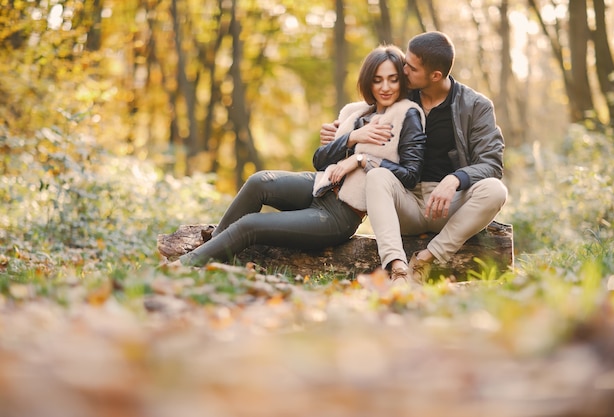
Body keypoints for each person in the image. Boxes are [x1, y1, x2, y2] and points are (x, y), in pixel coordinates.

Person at [169, 45, 427, 268]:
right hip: (320, 186)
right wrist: (352, 138)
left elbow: (411, 175)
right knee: (259, 181)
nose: (385, 87)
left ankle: (185, 266)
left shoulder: (408, 114)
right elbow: (320, 160)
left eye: (393, 79)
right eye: (377, 79)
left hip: (339, 216)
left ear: (402, 81)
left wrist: (361, 160)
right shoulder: (356, 112)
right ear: (367, 81)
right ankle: (213, 248)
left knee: (251, 225)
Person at [321, 31, 508, 284]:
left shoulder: (475, 106)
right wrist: (342, 131)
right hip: (405, 199)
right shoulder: (403, 95)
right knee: (377, 175)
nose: (403, 70)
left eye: (411, 67)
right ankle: (397, 270)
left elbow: (492, 164)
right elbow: (368, 110)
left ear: (435, 76)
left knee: (496, 190)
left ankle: (425, 260)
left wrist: (455, 179)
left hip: (448, 205)